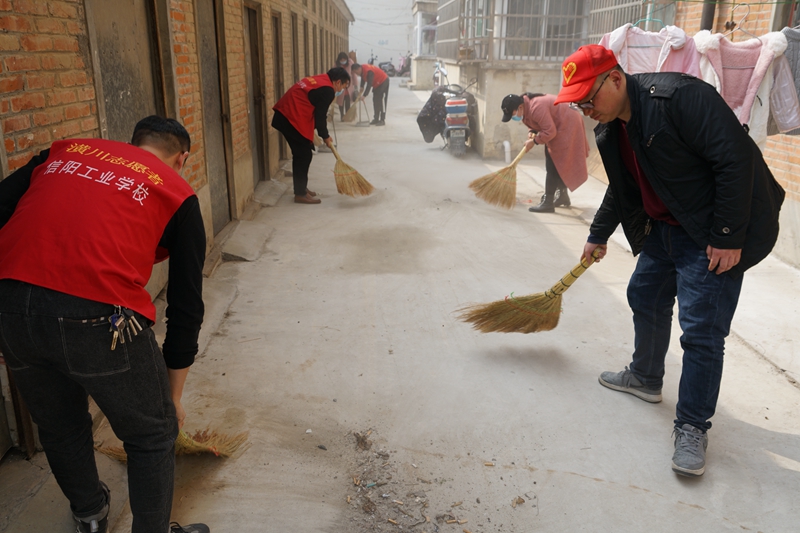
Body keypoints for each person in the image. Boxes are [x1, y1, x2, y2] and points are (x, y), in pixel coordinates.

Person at [553, 44, 784, 477]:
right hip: (665, 228)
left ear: (616, 79)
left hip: (713, 231)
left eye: (589, 97)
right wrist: (598, 233)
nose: (585, 109)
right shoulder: (610, 129)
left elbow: (734, 159)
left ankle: (693, 425)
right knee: (644, 294)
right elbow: (622, 186)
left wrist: (727, 235)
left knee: (700, 332)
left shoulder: (678, 98)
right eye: (577, 102)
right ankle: (645, 376)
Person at [0, 116, 210, 532]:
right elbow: (186, 307)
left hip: (11, 306)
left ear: (132, 143)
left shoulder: (62, 153)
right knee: (152, 435)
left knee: (59, 425)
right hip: (99, 316)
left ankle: (90, 516)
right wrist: (173, 397)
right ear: (182, 158)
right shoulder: (176, 192)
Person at [272, 67, 351, 204]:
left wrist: (320, 133)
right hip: (289, 117)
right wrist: (325, 136)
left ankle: (301, 188)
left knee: (302, 153)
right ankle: (300, 194)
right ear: (338, 82)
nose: (341, 90)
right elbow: (320, 117)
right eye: (343, 86)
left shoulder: (321, 80)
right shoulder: (327, 90)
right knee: (303, 154)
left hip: (287, 115)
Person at [500, 93, 589, 212]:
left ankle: (548, 202)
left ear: (520, 107)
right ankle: (562, 196)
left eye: (512, 114)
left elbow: (550, 131)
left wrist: (535, 141)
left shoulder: (536, 107)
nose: (513, 117)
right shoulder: (526, 109)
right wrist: (532, 131)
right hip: (561, 123)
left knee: (553, 162)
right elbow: (537, 124)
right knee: (557, 162)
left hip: (568, 123)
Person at [334, 52, 355, 120]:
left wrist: (356, 84)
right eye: (341, 60)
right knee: (341, 101)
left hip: (348, 85)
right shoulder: (336, 65)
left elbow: (353, 73)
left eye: (344, 60)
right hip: (340, 85)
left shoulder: (350, 63)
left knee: (348, 100)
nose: (343, 61)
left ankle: (347, 114)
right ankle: (342, 115)